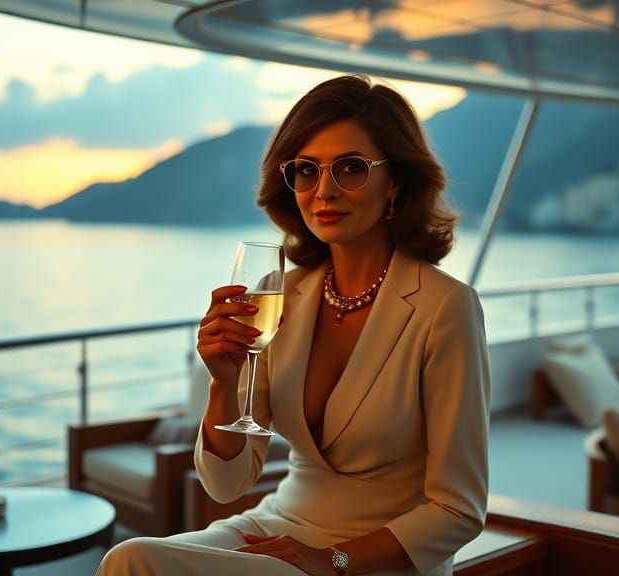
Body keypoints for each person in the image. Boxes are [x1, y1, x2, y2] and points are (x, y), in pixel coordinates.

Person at [97, 74, 490, 576]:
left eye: (351, 167)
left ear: (396, 181)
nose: (324, 190)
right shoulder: (285, 295)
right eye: (307, 169)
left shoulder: (444, 307)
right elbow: (227, 484)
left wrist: (332, 560)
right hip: (278, 527)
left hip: (378, 557)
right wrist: (224, 381)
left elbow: (459, 510)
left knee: (135, 561)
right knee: (127, 557)